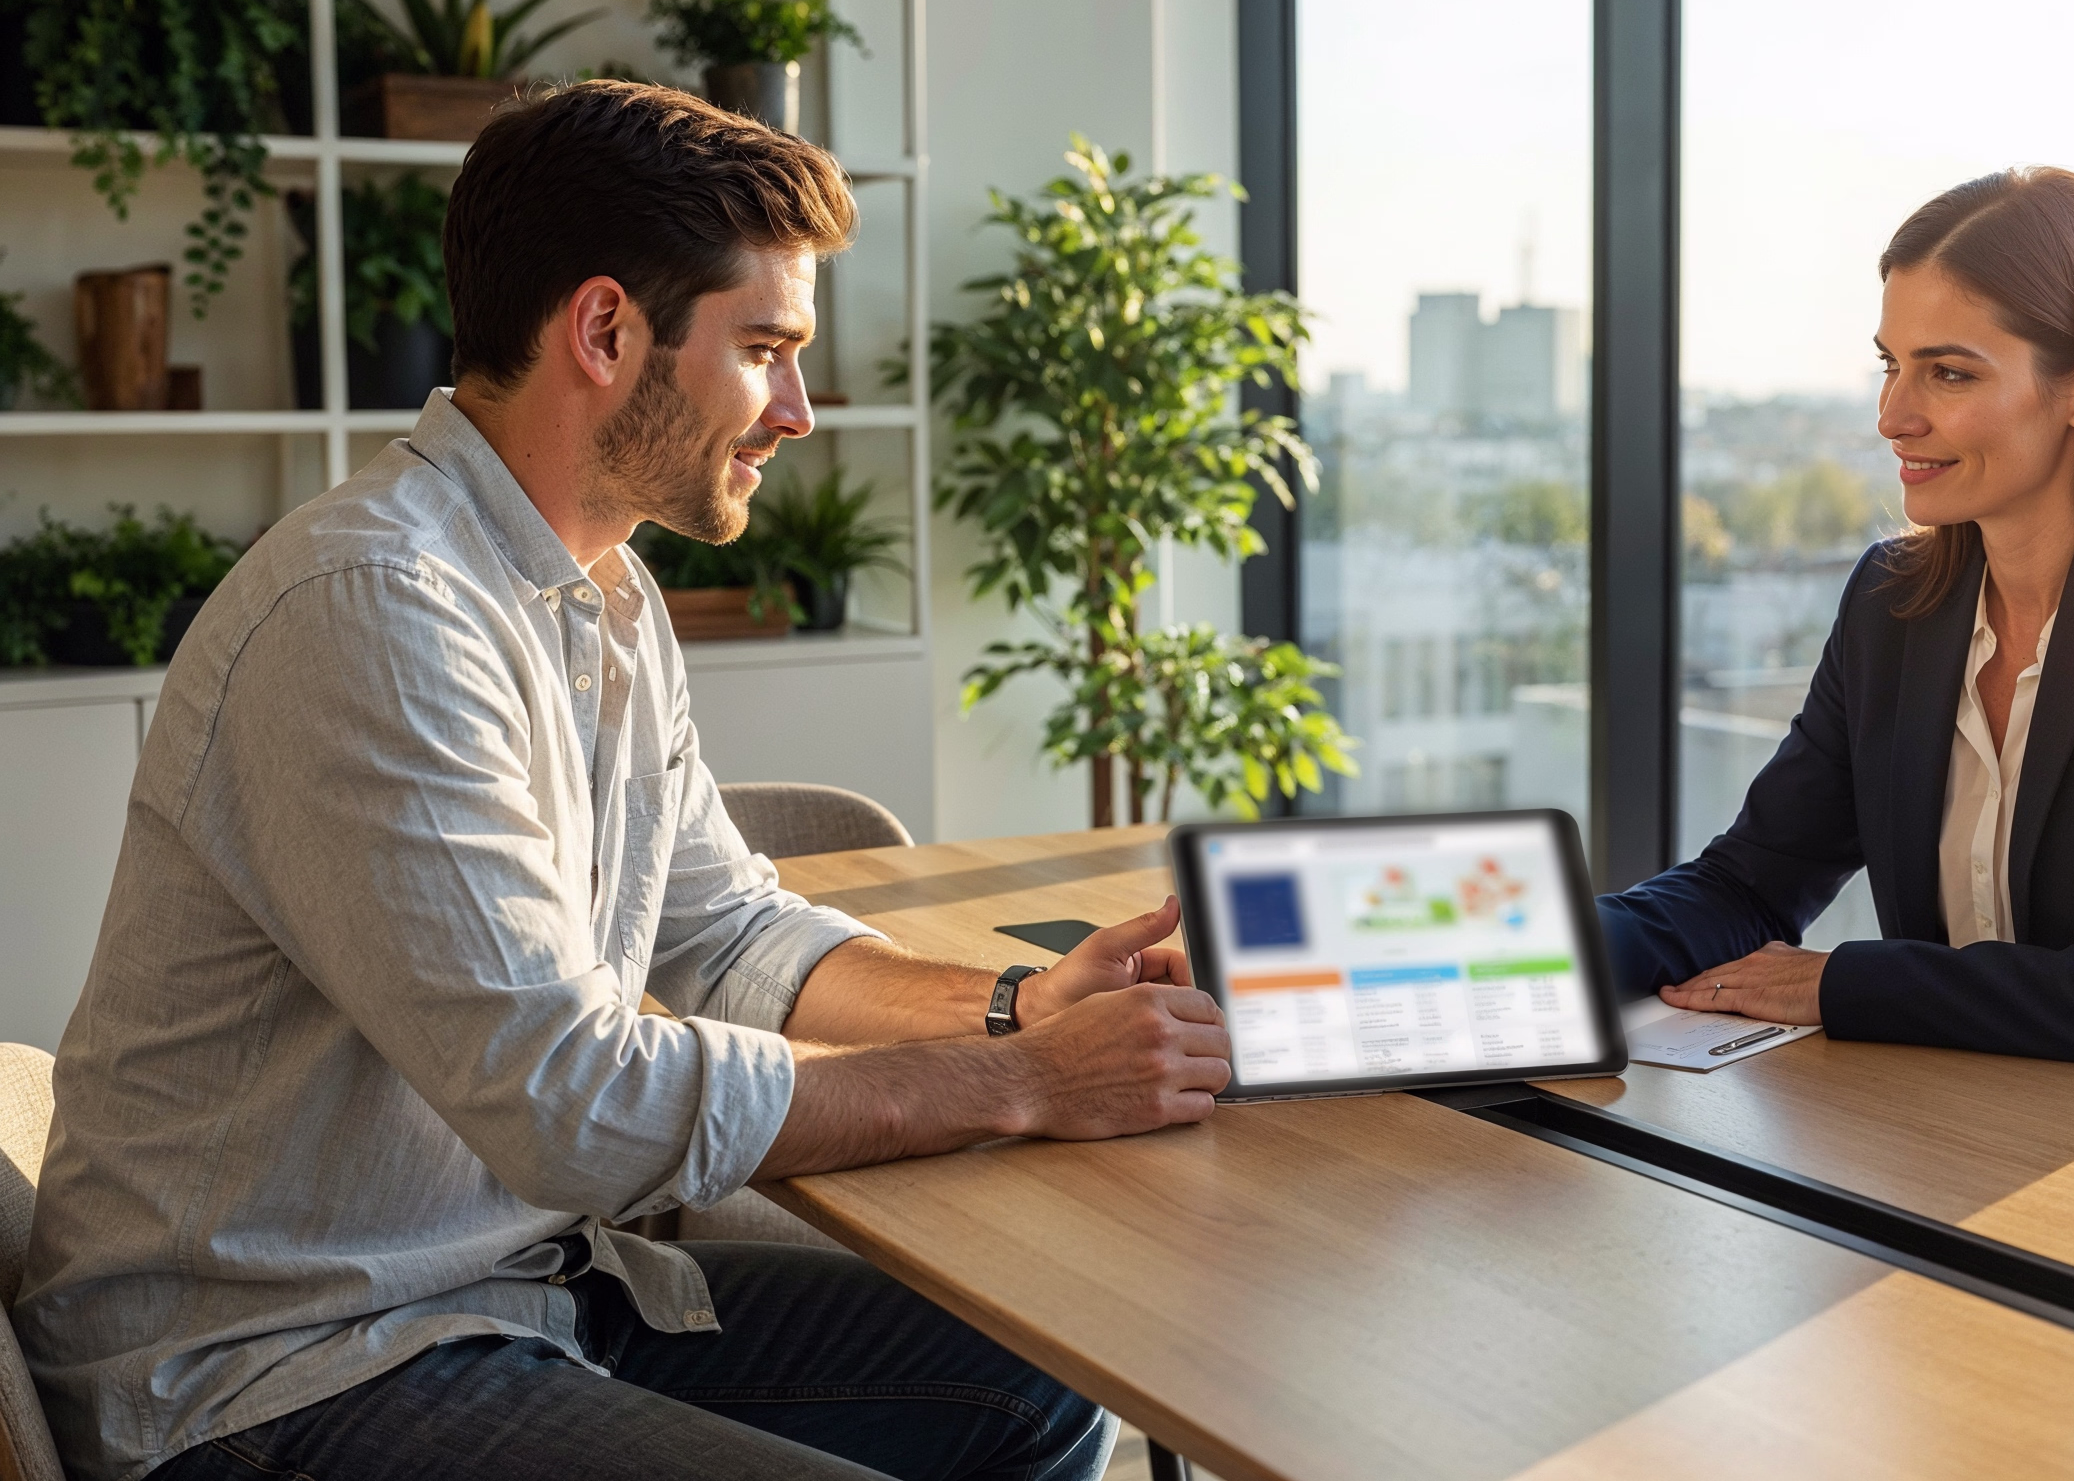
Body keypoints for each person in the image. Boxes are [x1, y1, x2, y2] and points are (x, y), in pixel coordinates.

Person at [13, 82, 1233, 1481]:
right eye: (766, 348)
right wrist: (1015, 1084)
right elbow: (574, 1102)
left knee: (1036, 1394)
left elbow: (724, 928)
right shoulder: (372, 610)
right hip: (268, 1367)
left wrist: (1021, 1003)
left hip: (522, 1287)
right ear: (605, 331)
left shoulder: (606, 595)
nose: (800, 412)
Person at [1604, 168, 2074, 1090]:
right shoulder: (1894, 605)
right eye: (1891, 364)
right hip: (1970, 1130)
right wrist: (1523, 962)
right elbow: (1751, 884)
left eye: (1948, 372)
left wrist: (1842, 984)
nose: (1893, 416)